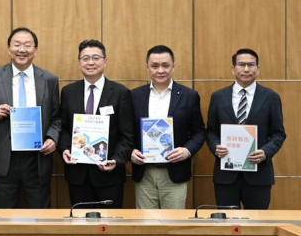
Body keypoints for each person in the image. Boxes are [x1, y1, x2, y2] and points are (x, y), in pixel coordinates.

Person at [0, 28, 61, 208]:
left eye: (27, 45)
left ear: (35, 50)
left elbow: (56, 118)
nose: (22, 50)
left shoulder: (49, 79)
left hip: (37, 158)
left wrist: (52, 138)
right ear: (9, 49)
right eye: (17, 45)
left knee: (41, 214)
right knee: (4, 214)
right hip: (5, 157)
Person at [206, 49, 287, 210]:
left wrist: (265, 152)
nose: (246, 69)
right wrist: (216, 147)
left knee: (257, 222)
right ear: (233, 69)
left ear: (258, 69)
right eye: (241, 64)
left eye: (251, 65)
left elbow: (278, 134)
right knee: (227, 222)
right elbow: (211, 131)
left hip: (259, 175)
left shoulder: (270, 97)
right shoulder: (218, 97)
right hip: (226, 176)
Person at [60, 40, 135, 208]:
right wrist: (65, 149)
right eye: (85, 58)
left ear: (105, 61)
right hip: (78, 174)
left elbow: (127, 135)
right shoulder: (68, 92)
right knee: (80, 221)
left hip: (109, 175)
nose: (90, 62)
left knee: (110, 221)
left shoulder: (120, 93)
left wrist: (117, 159)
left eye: (95, 58)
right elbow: (64, 129)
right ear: (79, 62)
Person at [130, 45, 205, 209]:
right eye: (155, 66)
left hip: (175, 171)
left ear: (173, 67)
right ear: (147, 68)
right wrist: (131, 151)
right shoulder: (134, 96)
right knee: (146, 221)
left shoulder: (189, 96)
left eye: (165, 65)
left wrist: (187, 151)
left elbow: (199, 132)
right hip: (144, 172)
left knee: (173, 222)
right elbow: (127, 132)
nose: (160, 70)